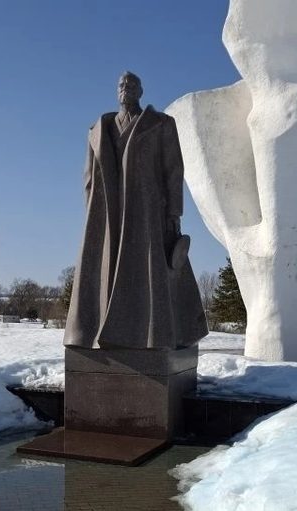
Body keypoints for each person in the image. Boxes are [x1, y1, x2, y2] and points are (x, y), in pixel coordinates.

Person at [64, 72, 208, 350]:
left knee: (150, 272)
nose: (125, 89)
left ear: (141, 91)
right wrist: (94, 218)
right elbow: (88, 177)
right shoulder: (98, 130)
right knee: (103, 273)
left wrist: (174, 212)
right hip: (108, 215)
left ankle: (152, 335)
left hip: (145, 211)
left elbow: (173, 170)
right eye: (121, 85)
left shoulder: (161, 125)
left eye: (131, 85)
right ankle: (93, 335)